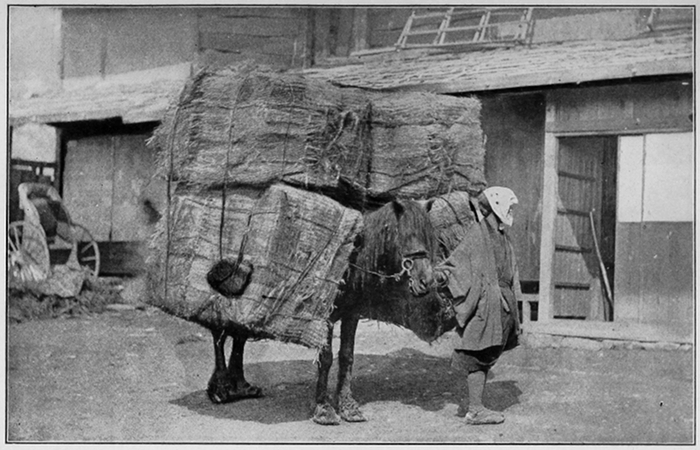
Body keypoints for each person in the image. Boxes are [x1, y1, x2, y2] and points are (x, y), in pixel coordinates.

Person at [434, 186, 522, 425]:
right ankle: (475, 410)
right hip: (485, 304)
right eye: (509, 207)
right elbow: (458, 261)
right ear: (496, 206)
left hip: (501, 304)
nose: (511, 212)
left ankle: (476, 407)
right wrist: (441, 276)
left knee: (489, 352)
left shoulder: (502, 235)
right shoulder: (478, 233)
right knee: (478, 353)